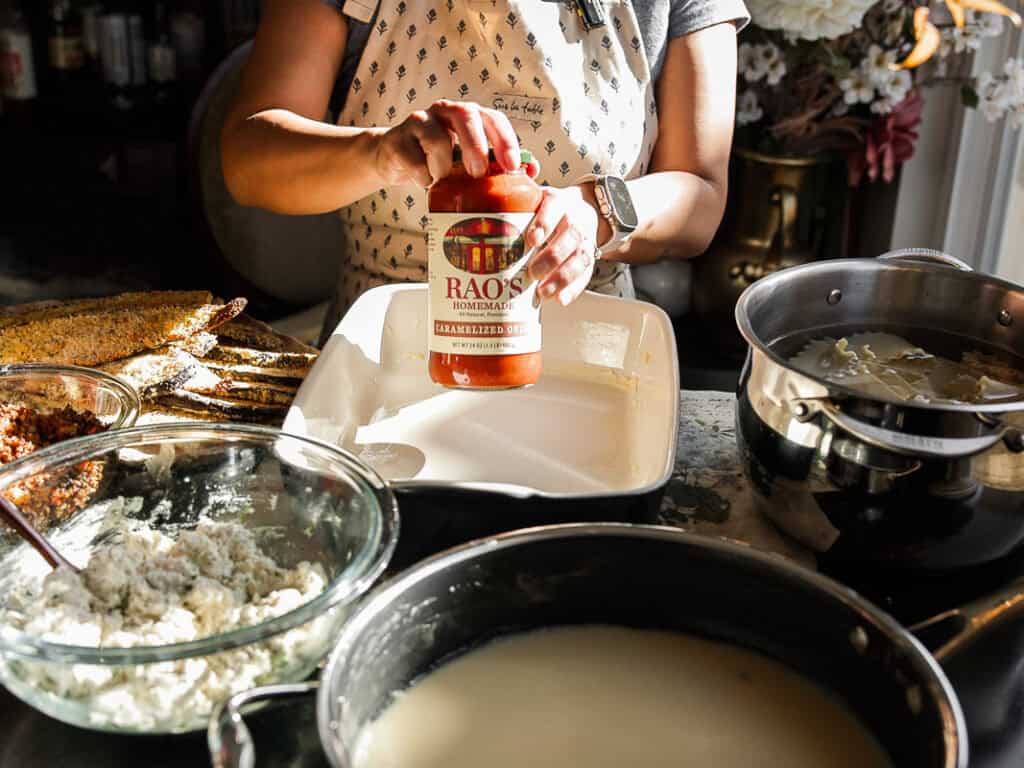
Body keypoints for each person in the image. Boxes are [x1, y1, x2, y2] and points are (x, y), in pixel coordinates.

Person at [221, 0, 749, 338]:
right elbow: (248, 160)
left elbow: (701, 195)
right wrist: (377, 152)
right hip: (380, 354)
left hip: (592, 357)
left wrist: (596, 212)